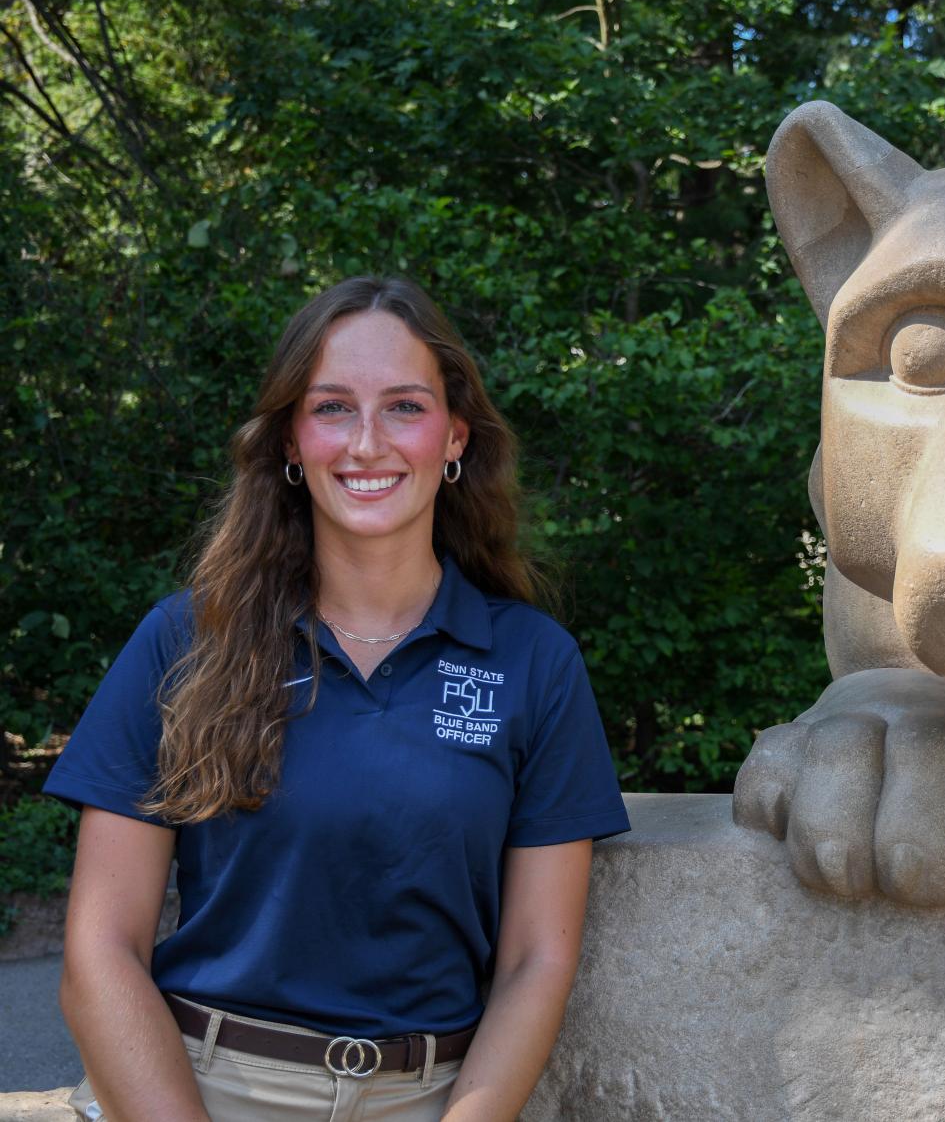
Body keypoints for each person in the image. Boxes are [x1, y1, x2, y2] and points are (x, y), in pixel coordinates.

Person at [44, 275, 630, 1120]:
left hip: (435, 1099)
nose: (365, 443)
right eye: (330, 408)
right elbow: (99, 949)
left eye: (403, 407)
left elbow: (538, 958)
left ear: (455, 436)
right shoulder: (185, 642)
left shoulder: (534, 662)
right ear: (290, 438)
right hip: (201, 1091)